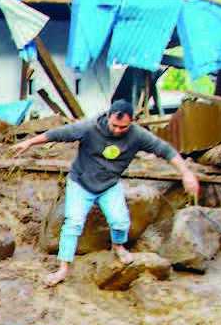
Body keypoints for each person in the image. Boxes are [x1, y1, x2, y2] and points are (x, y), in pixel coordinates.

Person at [12, 98, 201, 287]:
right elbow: (58, 134)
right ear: (108, 117)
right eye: (115, 125)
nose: (118, 130)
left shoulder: (137, 135)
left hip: (109, 185)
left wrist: (186, 174)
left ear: (131, 122)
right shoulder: (89, 128)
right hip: (81, 183)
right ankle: (62, 268)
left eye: (123, 127)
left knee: (120, 221)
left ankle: (118, 247)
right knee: (73, 223)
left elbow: (166, 150)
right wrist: (28, 143)